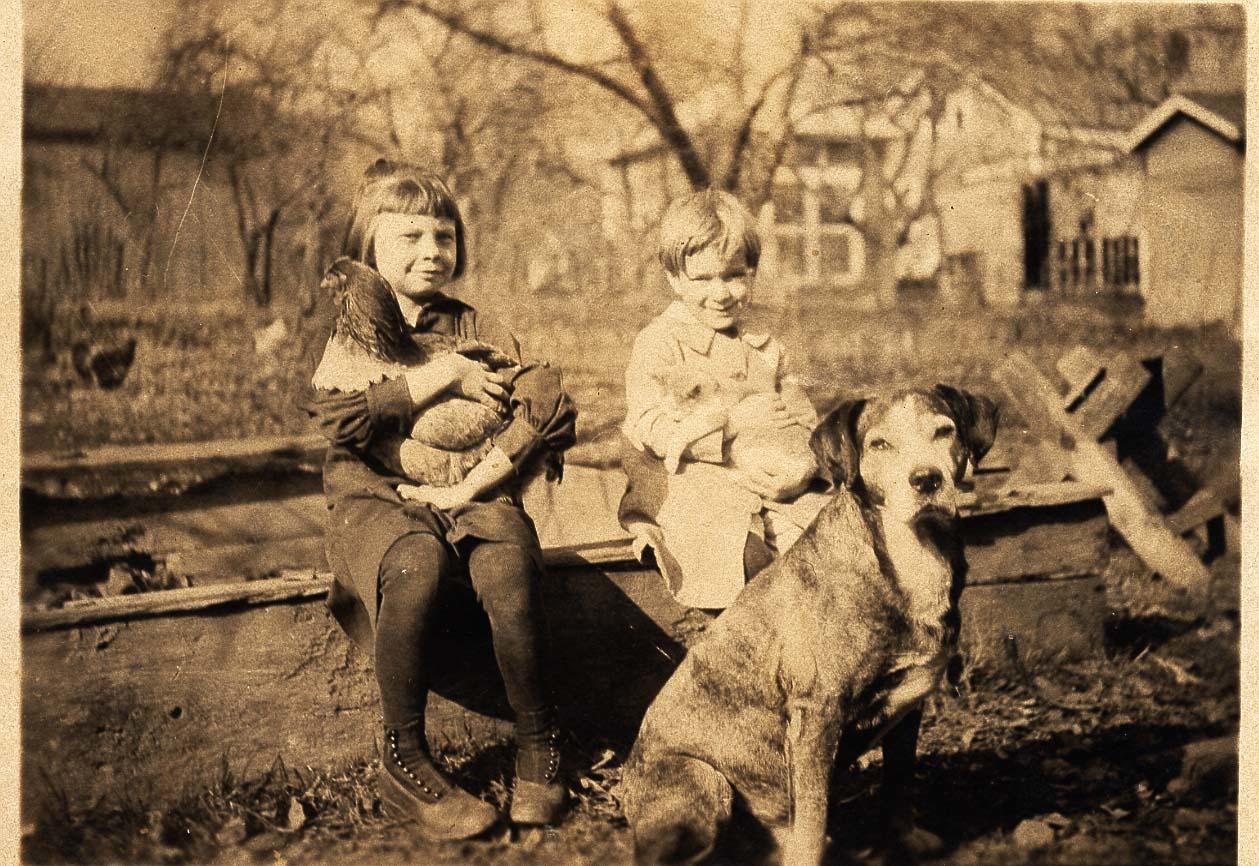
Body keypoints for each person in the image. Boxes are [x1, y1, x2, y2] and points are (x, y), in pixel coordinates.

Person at [306, 159, 576, 839]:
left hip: (473, 486)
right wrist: (439, 376)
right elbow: (340, 420)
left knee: (508, 566)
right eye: (410, 236)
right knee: (415, 563)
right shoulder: (351, 331)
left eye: (444, 236)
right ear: (367, 246)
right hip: (376, 495)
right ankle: (404, 758)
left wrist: (492, 464)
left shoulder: (477, 326)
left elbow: (548, 404)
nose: (432, 250)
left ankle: (538, 741)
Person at [619, 188, 828, 613]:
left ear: (752, 273)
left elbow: (807, 424)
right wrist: (731, 427)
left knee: (832, 545)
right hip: (693, 487)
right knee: (745, 557)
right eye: (702, 279)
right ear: (674, 278)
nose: (721, 293)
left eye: (734, 275)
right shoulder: (659, 342)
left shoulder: (765, 347)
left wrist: (803, 470)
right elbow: (649, 424)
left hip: (777, 485)